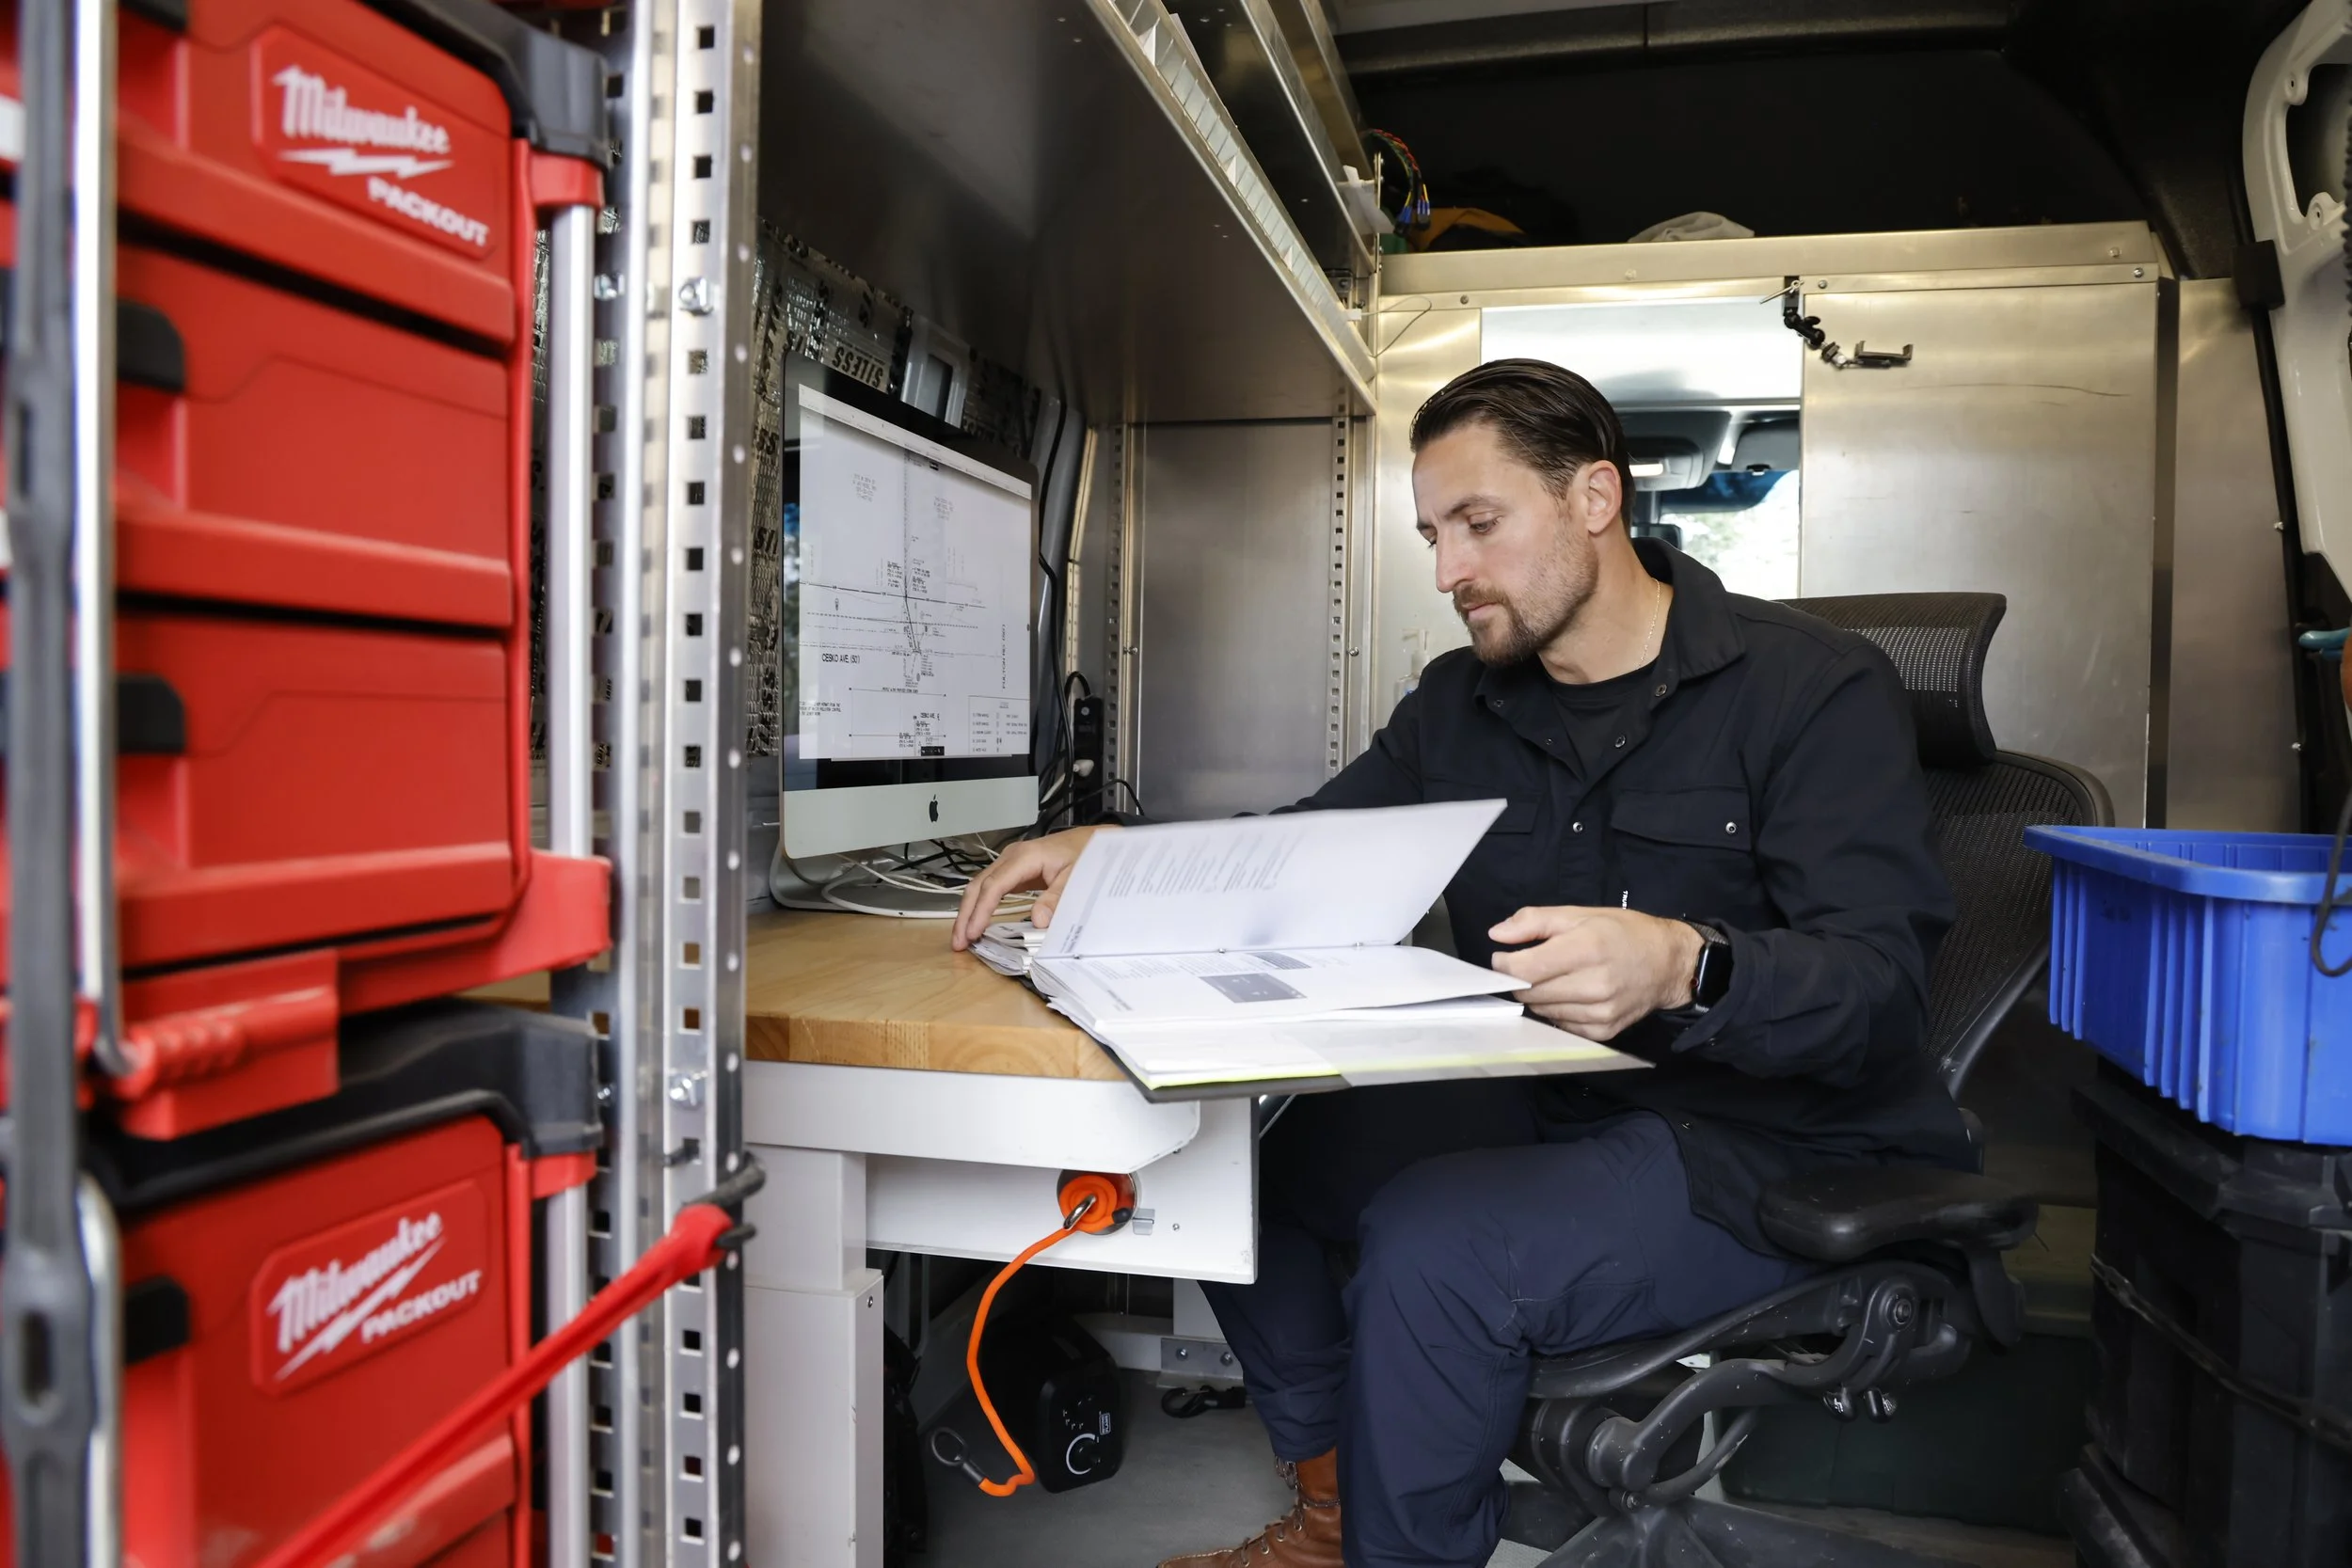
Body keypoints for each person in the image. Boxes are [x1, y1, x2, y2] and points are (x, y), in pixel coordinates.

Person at [949, 359, 1973, 1568]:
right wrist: (1118, 855)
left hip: (1770, 1138)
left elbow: (1881, 988)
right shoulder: (1462, 702)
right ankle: (1337, 1507)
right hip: (1558, 1094)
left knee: (1440, 1244)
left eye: (1478, 525)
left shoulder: (1809, 687)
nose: (1447, 572)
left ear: (1595, 497)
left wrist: (1689, 965)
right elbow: (1303, 851)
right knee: (1227, 1166)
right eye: (1433, 534)